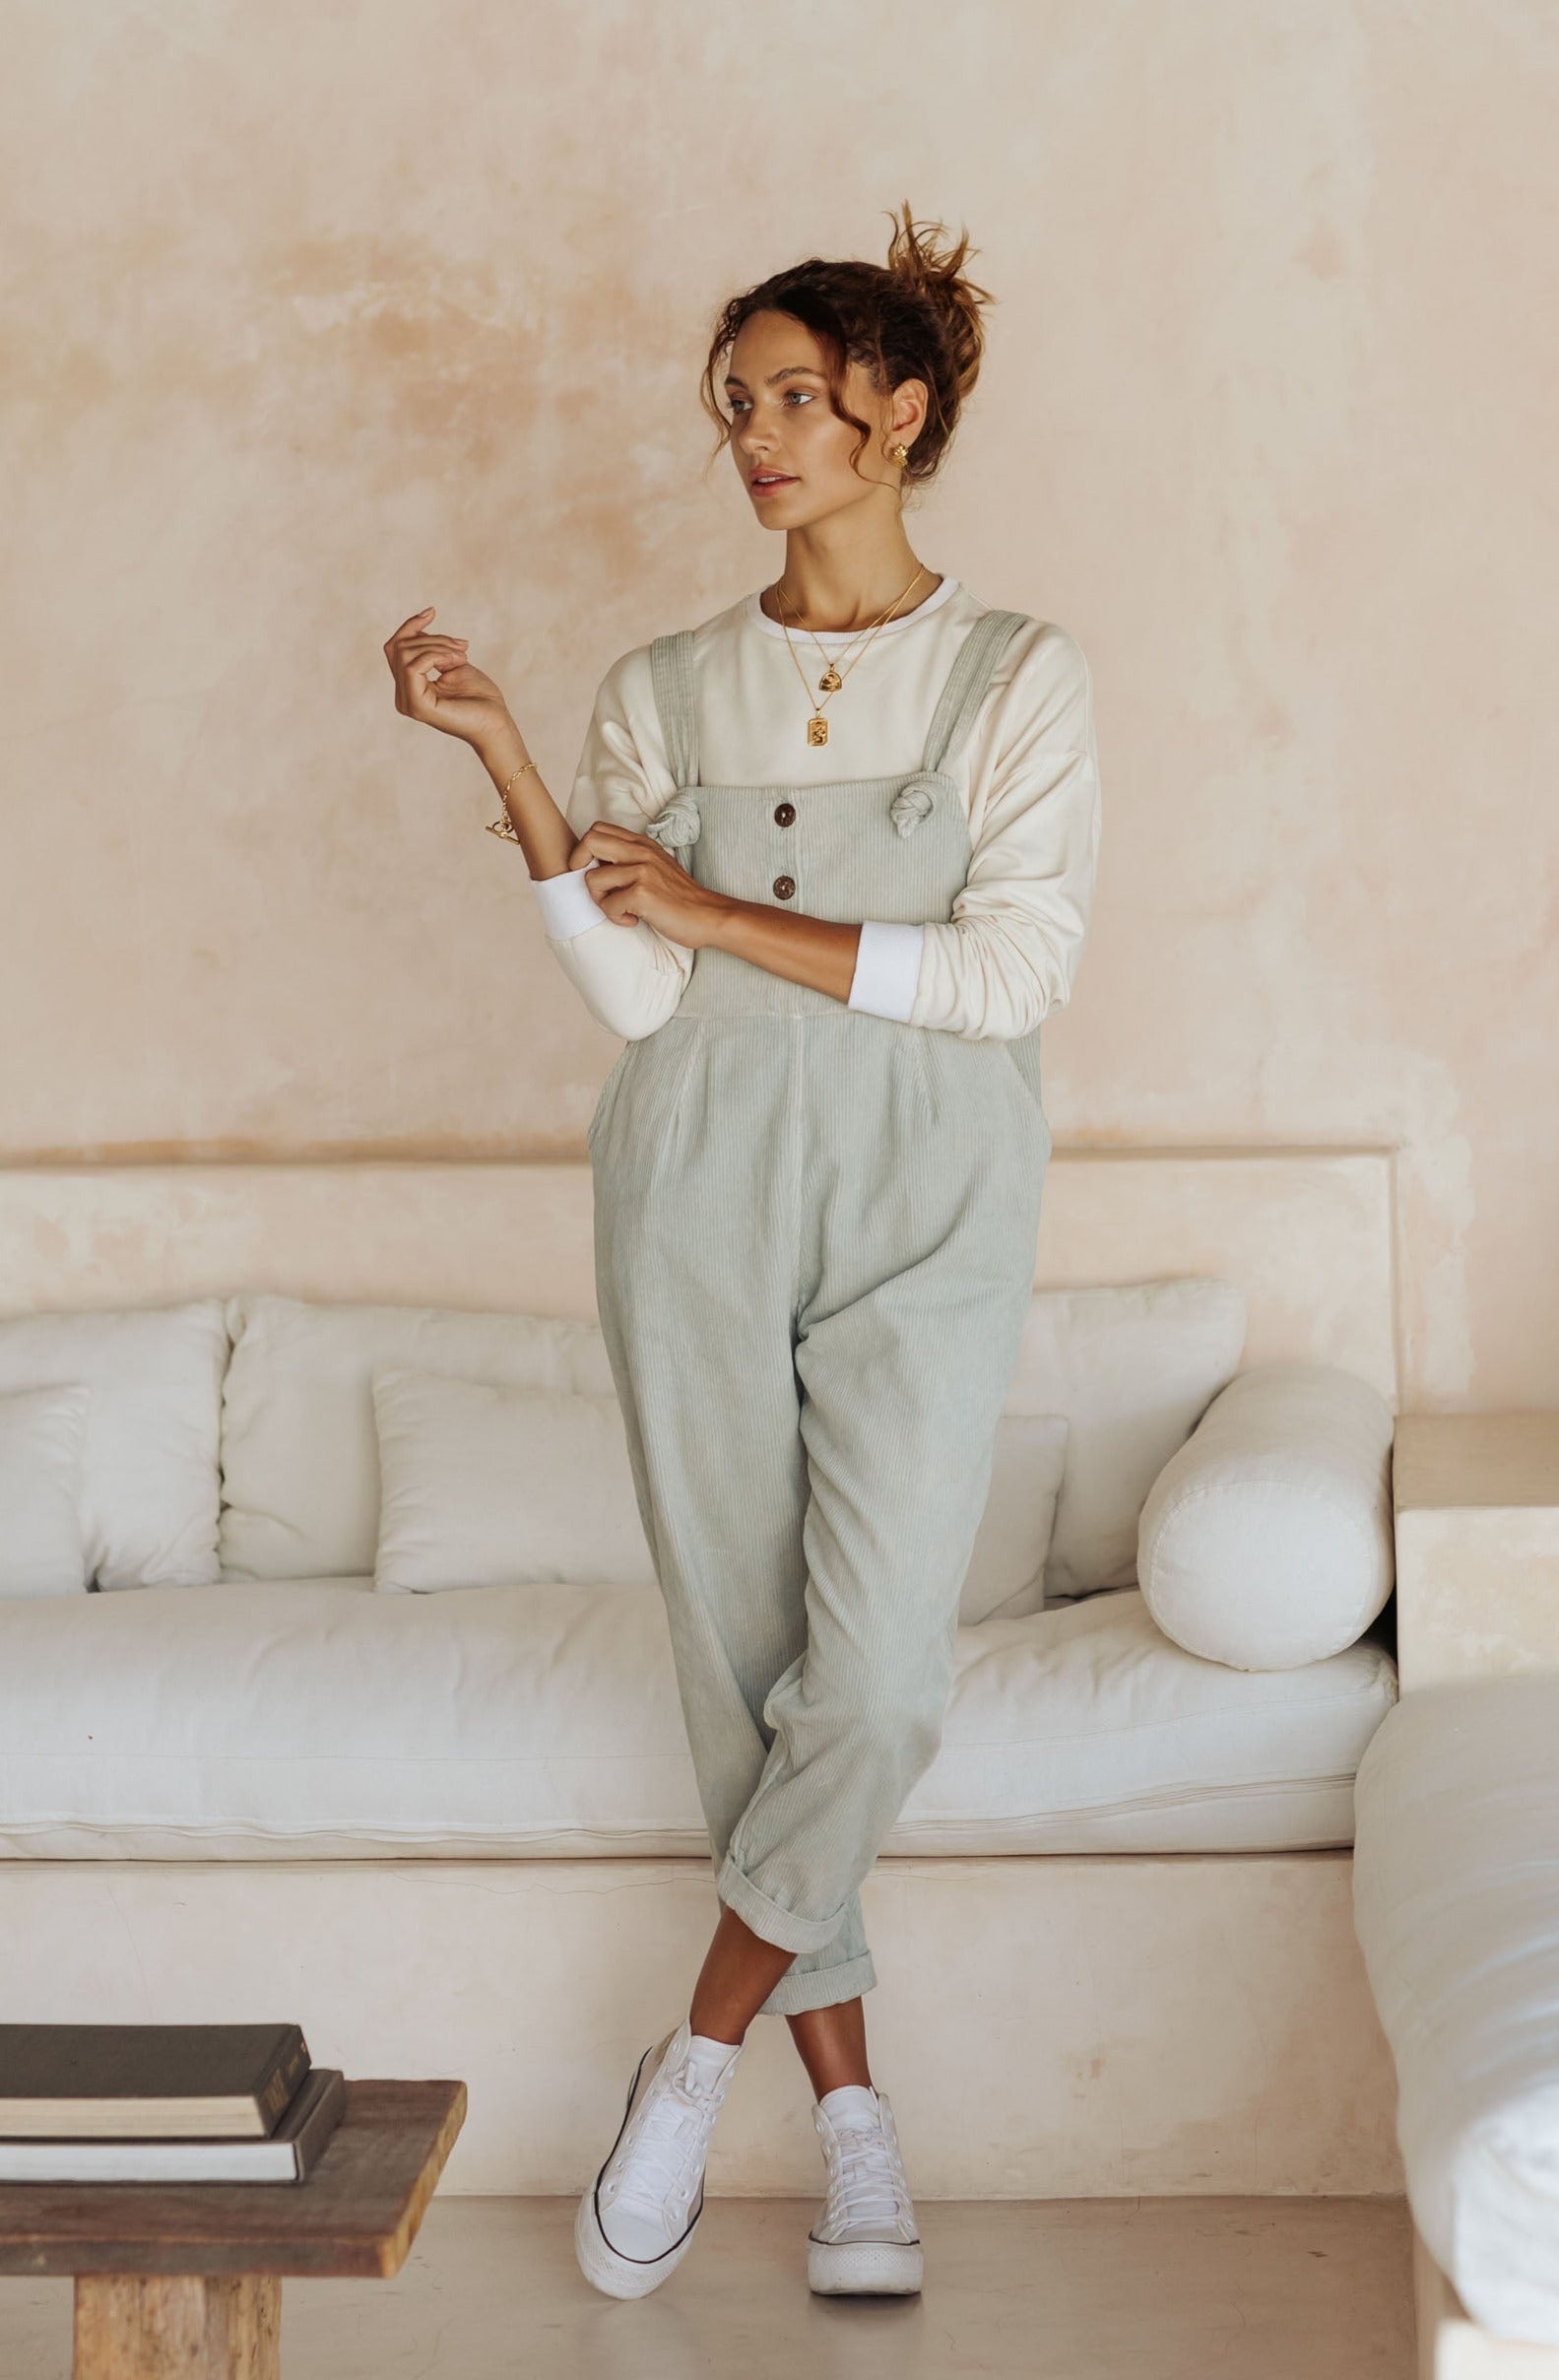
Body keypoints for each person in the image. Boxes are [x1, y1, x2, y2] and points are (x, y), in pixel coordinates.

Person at [382, 201, 1101, 2303]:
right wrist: (514, 753)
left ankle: (693, 2053)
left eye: (798, 398)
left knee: (869, 1683)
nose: (760, 438)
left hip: (930, 1197)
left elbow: (1011, 968)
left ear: (902, 412)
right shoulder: (667, 683)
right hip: (693, 1177)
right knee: (748, 1674)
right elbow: (629, 1001)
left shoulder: (1020, 680)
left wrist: (709, 912)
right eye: (740, 407)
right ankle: (860, 2132)